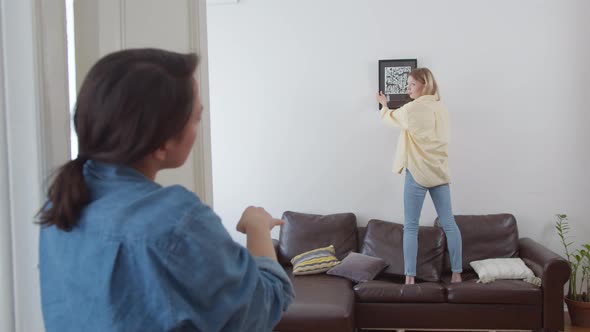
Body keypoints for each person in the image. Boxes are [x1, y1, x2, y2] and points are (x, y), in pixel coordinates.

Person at [37, 48, 294, 332]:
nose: (198, 126)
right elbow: (264, 306)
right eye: (196, 117)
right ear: (163, 143)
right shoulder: (175, 220)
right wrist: (258, 226)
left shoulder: (59, 204)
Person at [376, 67, 462, 285]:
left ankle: (409, 277)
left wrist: (384, 105)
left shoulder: (412, 109)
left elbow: (390, 118)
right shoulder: (441, 108)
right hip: (439, 171)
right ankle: (457, 274)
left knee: (411, 226)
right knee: (449, 223)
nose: (409, 89)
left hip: (416, 171)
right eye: (408, 85)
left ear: (425, 84)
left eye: (412, 84)